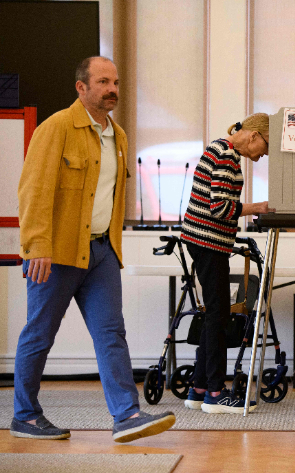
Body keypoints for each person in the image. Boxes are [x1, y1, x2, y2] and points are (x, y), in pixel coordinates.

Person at [12, 56, 175, 443]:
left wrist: (114, 248)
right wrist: (37, 245)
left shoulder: (117, 135)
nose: (112, 89)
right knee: (40, 334)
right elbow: (33, 191)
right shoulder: (56, 128)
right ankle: (25, 415)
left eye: (115, 82)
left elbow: (111, 197)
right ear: (81, 87)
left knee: (111, 334)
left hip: (102, 252)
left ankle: (127, 415)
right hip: (56, 253)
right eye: (103, 81)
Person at [180, 114, 274, 414]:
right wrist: (257, 207)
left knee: (214, 316)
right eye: (266, 147)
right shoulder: (228, 157)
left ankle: (199, 388)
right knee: (218, 318)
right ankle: (216, 394)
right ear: (254, 136)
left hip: (202, 240)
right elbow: (219, 208)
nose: (263, 155)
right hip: (209, 243)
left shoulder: (218, 148)